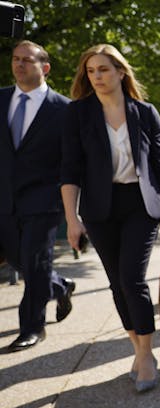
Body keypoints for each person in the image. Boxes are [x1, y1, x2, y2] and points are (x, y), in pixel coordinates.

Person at [61, 44, 160, 393]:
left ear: (121, 72)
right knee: (116, 283)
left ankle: (146, 355)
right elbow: (70, 169)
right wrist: (71, 220)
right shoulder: (78, 113)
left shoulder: (144, 112)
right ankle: (140, 351)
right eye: (91, 71)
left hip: (140, 205)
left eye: (104, 69)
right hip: (99, 209)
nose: (97, 76)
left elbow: (159, 164)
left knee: (132, 279)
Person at [0, 40, 75, 351]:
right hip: (4, 197)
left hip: (44, 200)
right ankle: (60, 285)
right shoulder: (1, 99)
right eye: (16, 59)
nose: (19, 65)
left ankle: (32, 327)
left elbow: (71, 159)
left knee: (34, 260)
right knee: (20, 260)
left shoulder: (64, 109)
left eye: (27, 60)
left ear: (44, 68)